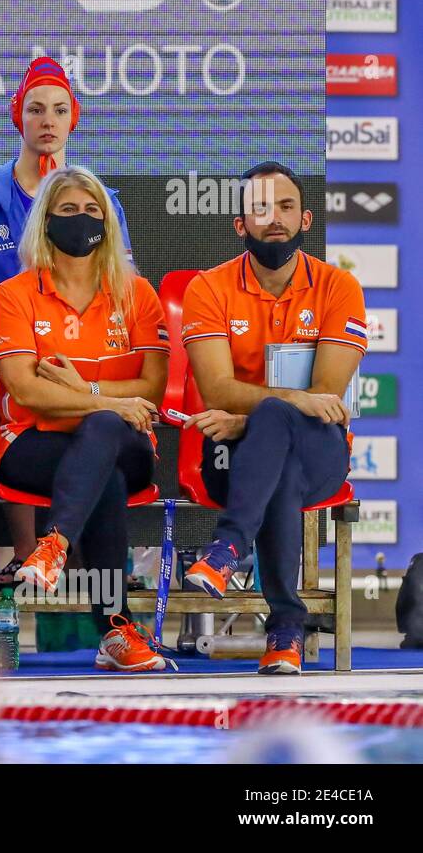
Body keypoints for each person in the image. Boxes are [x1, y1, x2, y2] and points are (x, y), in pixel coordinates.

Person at [0, 57, 134, 588]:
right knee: (14, 388)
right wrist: (13, 351)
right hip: (0, 354)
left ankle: (81, 559)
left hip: (84, 357)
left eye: (58, 109)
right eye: (35, 109)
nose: (47, 119)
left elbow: (122, 295)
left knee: (93, 406)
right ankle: (28, 549)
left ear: (76, 117)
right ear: (16, 116)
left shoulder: (101, 202)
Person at [180, 162, 365, 675]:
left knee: (279, 428)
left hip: (318, 448)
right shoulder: (209, 288)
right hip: (232, 458)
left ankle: (229, 546)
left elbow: (325, 396)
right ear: (241, 225)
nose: (274, 219)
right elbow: (216, 389)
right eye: (260, 209)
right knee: (278, 462)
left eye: (285, 207)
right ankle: (285, 628)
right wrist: (278, 408)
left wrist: (248, 419)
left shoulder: (338, 286)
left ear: (306, 218)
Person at [0, 166, 170, 671]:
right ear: (44, 220)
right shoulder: (13, 295)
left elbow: (151, 390)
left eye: (93, 211)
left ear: (108, 223)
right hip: (31, 444)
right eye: (68, 210)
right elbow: (27, 391)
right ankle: (115, 629)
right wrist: (108, 401)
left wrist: (84, 389)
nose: (81, 219)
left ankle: (54, 544)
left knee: (106, 435)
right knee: (103, 464)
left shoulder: (137, 295)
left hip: (128, 441)